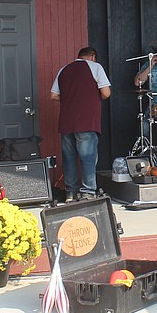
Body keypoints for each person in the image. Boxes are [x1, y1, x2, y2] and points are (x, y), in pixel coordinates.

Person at [51, 47, 112, 201]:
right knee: (88, 157)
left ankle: (70, 193)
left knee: (69, 157)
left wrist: (71, 98)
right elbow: (106, 93)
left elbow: (53, 95)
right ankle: (87, 192)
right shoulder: (95, 67)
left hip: (66, 121)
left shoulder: (64, 69)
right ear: (92, 56)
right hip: (86, 121)